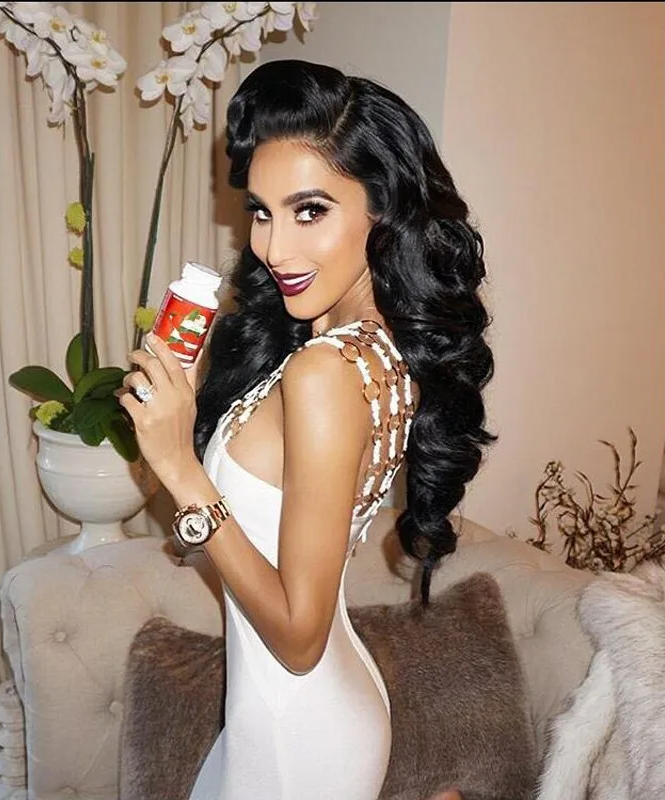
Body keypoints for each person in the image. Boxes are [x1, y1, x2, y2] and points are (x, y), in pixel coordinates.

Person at [119, 59, 495, 800]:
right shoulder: (363, 347)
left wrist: (182, 467)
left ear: (382, 208)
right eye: (262, 212)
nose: (274, 248)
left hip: (296, 735)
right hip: (301, 714)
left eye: (310, 211)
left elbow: (297, 637)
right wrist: (183, 430)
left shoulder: (325, 372)